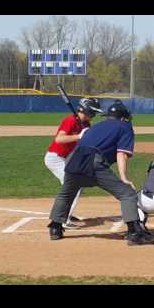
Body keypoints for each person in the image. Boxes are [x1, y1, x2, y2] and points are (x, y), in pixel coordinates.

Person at [47, 100, 154, 246]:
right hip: (94, 161)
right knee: (127, 193)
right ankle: (134, 232)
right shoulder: (125, 126)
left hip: (73, 159)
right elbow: (121, 153)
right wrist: (124, 177)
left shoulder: (95, 127)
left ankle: (55, 227)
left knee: (67, 192)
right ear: (123, 117)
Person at [44, 98, 103, 229]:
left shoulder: (86, 125)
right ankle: (63, 219)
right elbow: (59, 139)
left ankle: (65, 213)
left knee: (73, 186)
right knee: (74, 186)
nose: (94, 115)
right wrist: (78, 136)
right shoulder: (70, 120)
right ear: (87, 110)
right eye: (93, 112)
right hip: (55, 158)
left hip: (66, 159)